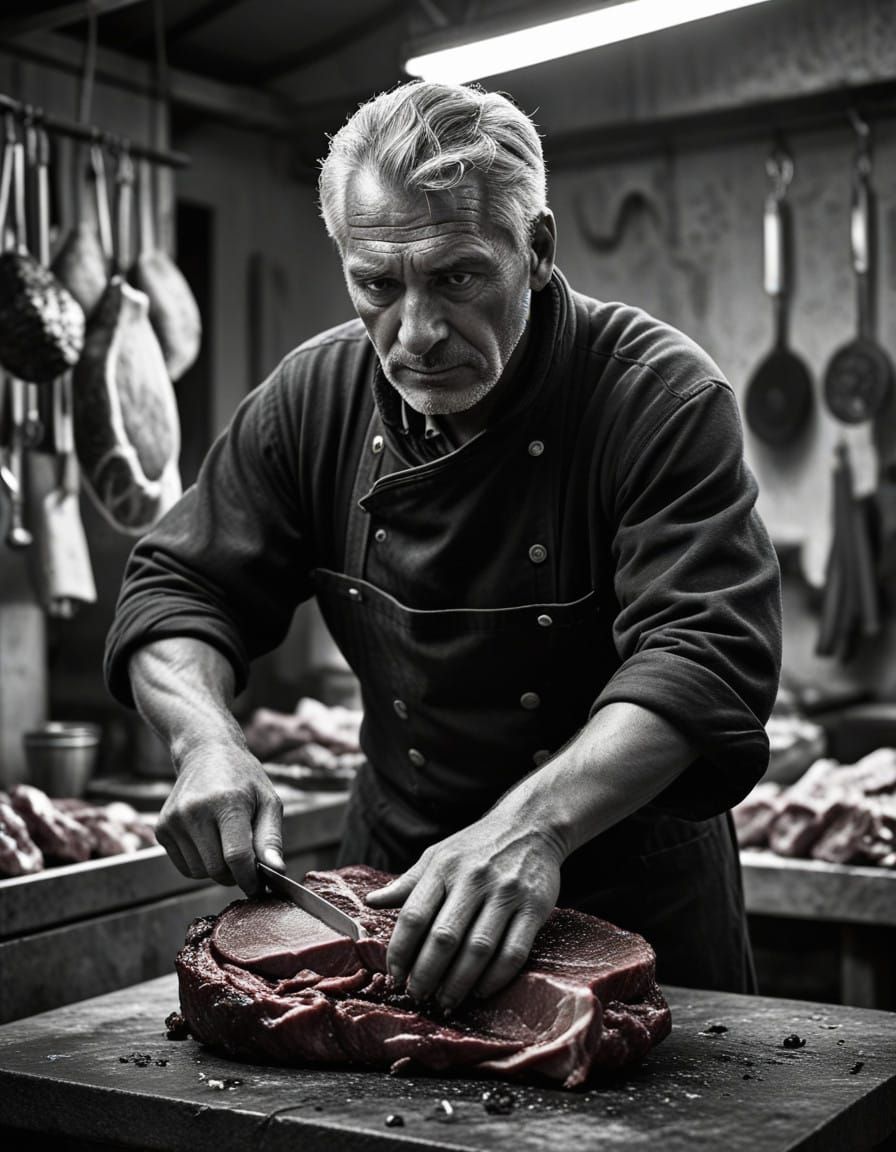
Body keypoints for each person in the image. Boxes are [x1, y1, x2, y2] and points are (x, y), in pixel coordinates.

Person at [105, 80, 781, 1010]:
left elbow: (703, 655)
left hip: (628, 895)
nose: (417, 334)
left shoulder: (655, 396)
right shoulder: (313, 397)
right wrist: (204, 740)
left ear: (536, 249)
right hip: (390, 895)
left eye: (457, 277)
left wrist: (534, 829)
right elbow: (179, 588)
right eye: (378, 285)